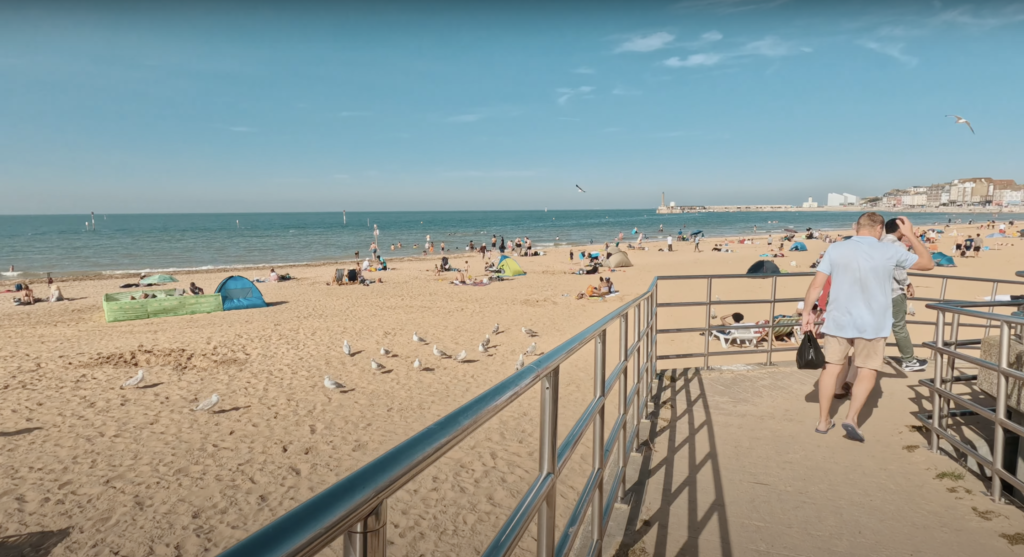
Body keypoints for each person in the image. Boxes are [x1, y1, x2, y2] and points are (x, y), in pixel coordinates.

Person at [800, 214, 934, 442]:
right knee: (867, 370)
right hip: (873, 322)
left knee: (831, 369)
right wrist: (910, 234)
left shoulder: (836, 249)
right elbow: (927, 263)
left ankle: (823, 421)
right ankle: (851, 418)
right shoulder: (889, 251)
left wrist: (807, 314)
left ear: (856, 227)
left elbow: (817, 285)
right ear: (880, 228)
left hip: (839, 320)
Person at [881, 219, 929, 372]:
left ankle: (872, 357)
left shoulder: (878, 243)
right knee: (899, 326)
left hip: (877, 292)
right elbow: (898, 268)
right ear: (901, 230)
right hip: (894, 292)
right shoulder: (897, 245)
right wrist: (907, 283)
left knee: (879, 326)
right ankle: (909, 360)